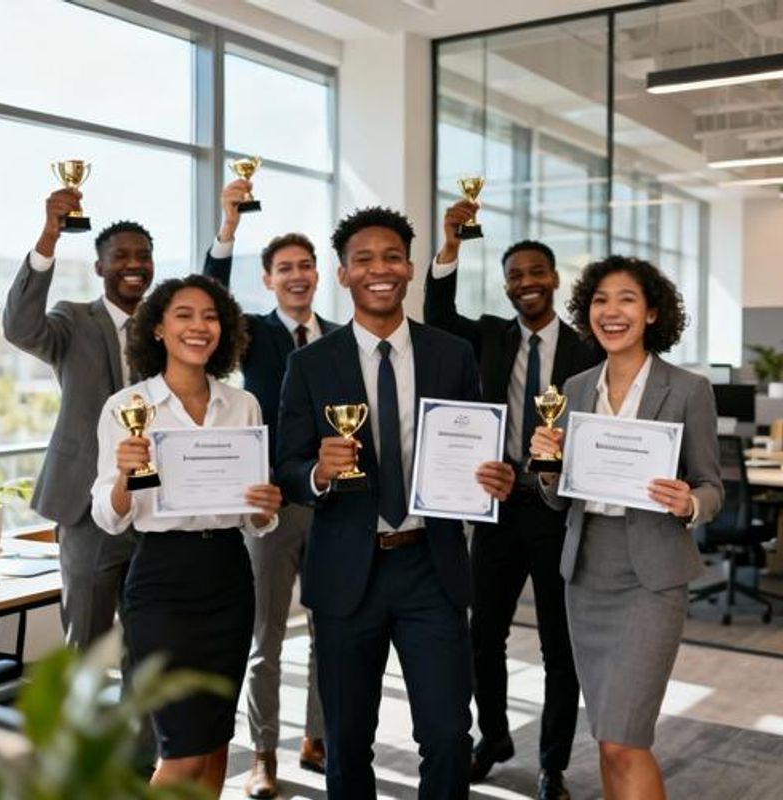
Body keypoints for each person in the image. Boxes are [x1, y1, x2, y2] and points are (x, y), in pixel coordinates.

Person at [276, 206, 516, 800]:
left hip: (430, 567)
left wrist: (494, 476)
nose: (378, 270)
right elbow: (287, 467)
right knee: (347, 741)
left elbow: (475, 443)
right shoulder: (309, 363)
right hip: (344, 572)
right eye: (363, 260)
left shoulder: (451, 354)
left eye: (391, 258)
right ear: (343, 274)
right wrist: (317, 472)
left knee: (448, 735)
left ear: (409, 268)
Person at [424, 200, 600, 798]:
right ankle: (494, 737)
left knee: (558, 646)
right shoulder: (489, 338)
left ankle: (553, 763)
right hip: (496, 507)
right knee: (483, 637)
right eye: (515, 275)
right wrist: (451, 244)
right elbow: (437, 313)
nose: (526, 282)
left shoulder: (587, 349)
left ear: (554, 279)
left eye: (536, 272)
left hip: (556, 511)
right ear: (505, 286)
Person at [531, 255, 723, 800]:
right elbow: (557, 498)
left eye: (627, 299)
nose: (611, 312)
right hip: (586, 572)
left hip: (651, 577)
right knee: (606, 735)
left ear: (652, 312)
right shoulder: (574, 387)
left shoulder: (687, 389)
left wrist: (690, 502)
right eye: (600, 300)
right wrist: (546, 467)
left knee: (625, 739)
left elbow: (713, 486)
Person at [91, 273, 282, 796]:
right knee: (180, 752)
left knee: (216, 741)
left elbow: (255, 519)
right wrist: (125, 477)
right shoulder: (127, 406)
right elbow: (109, 516)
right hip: (161, 582)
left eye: (211, 316)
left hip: (228, 576)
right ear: (157, 328)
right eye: (184, 315)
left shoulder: (242, 404)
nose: (200, 326)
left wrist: (265, 507)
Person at [203, 179, 335, 798]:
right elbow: (210, 296)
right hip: (271, 508)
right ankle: (263, 754)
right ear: (269, 280)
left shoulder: (340, 336)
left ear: (318, 275)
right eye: (285, 268)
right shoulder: (252, 334)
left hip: (332, 506)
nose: (297, 276)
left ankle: (318, 737)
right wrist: (228, 228)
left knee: (332, 632)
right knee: (267, 641)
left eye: (305, 266)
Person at [3, 187, 154, 648]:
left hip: (154, 506)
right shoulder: (74, 320)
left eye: (143, 256)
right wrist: (49, 236)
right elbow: (20, 328)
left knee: (149, 648)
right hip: (86, 506)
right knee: (87, 644)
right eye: (120, 256)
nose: (133, 264)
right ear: (99, 268)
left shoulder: (166, 328)